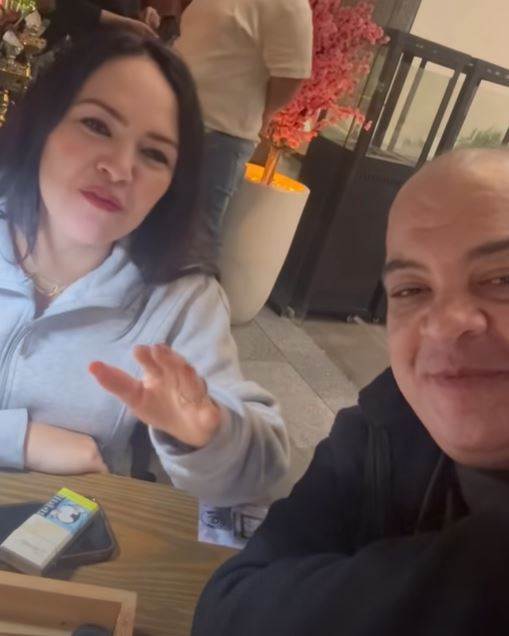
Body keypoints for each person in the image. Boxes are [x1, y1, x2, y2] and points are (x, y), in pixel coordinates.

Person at [192, 147, 509, 635]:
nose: (443, 324)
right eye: (411, 289)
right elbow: (230, 607)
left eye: (502, 278)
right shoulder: (389, 419)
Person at [0, 27, 289, 507]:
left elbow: (260, 474)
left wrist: (209, 436)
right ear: (44, 125)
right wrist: (24, 440)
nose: (119, 169)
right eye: (97, 125)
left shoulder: (180, 299)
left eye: (154, 154)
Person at [174, 0, 313, 265]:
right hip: (174, 121)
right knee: (156, 230)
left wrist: (265, 113)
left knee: (192, 243)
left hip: (218, 135)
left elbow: (291, 75)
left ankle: (193, 292)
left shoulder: (289, 5)